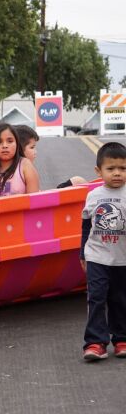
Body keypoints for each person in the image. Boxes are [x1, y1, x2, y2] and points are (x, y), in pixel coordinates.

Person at [79, 142, 126, 360]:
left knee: (120, 299)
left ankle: (121, 339)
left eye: (123, 168)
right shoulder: (93, 195)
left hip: (122, 259)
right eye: (111, 168)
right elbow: (86, 225)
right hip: (97, 256)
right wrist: (82, 253)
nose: (117, 173)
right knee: (96, 297)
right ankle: (95, 342)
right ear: (99, 171)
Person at [14, 124, 87, 189]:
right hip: (40, 203)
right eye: (32, 147)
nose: (36, 152)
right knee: (78, 181)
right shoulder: (25, 170)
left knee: (77, 181)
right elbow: (34, 199)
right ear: (19, 149)